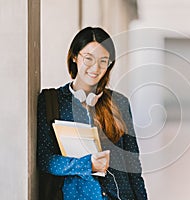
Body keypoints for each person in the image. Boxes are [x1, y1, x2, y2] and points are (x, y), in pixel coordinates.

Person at [37, 27, 148, 200]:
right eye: (88, 58)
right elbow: (45, 160)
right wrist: (86, 164)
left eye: (103, 61)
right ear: (74, 57)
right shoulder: (51, 101)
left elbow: (133, 166)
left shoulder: (120, 103)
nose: (95, 68)